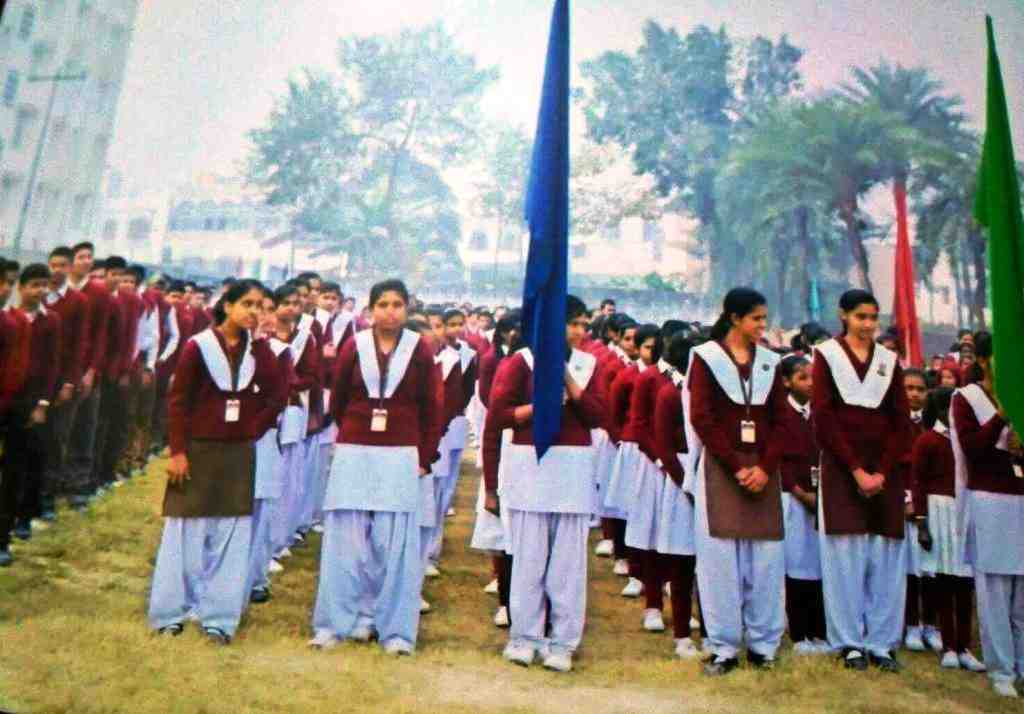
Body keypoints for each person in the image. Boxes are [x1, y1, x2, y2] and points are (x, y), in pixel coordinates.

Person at [147, 279, 285, 644]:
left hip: (238, 451)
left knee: (232, 531)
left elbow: (276, 395)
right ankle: (171, 612)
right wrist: (177, 451)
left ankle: (219, 616)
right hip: (198, 448)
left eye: (260, 305)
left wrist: (251, 428)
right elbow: (179, 400)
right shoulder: (199, 346)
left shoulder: (261, 351)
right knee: (186, 531)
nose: (254, 312)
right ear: (227, 306)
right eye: (247, 304)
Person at [310, 279, 442, 655]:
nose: (390, 311)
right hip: (355, 448)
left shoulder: (419, 350)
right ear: (371, 309)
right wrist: (351, 431)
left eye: (397, 304)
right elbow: (337, 399)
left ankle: (396, 631)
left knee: (394, 543)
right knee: (345, 540)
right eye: (382, 304)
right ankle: (336, 623)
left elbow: (432, 408)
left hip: (401, 452)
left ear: (407, 308)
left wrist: (424, 456)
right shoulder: (356, 344)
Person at [489, 294, 605, 672]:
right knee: (529, 559)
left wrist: (568, 380)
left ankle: (563, 641)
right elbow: (500, 414)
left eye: (583, 325)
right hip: (530, 469)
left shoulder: (589, 364)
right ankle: (524, 636)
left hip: (572, 470)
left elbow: (596, 415)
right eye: (572, 323)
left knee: (568, 564)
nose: (578, 331)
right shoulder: (520, 362)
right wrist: (538, 407)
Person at [688, 288, 786, 675]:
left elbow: (781, 421)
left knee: (764, 560)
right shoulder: (706, 358)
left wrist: (764, 466)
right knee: (720, 561)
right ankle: (724, 645)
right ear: (734, 318)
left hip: (763, 468)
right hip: (722, 468)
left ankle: (763, 643)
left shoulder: (770, 363)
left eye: (765, 319)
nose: (763, 326)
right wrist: (735, 465)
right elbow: (702, 417)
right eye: (756, 319)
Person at [813, 289, 910, 673]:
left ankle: (882, 642)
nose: (868, 325)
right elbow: (823, 416)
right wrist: (855, 469)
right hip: (842, 467)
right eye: (860, 317)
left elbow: (900, 420)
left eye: (873, 317)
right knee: (845, 555)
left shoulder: (889, 360)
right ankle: (850, 641)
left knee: (885, 555)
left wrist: (882, 471)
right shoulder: (827, 355)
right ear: (844, 316)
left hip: (884, 471)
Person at [950, 331, 1024, 697]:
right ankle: (1001, 670)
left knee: (1022, 594)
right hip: (989, 500)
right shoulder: (966, 398)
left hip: (1021, 498)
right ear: (982, 360)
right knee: (995, 591)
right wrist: (1000, 418)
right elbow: (972, 449)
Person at [912, 387, 985, 673]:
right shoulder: (928, 440)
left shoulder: (965, 442)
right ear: (943, 411)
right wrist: (922, 523)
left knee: (965, 582)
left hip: (964, 508)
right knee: (944, 580)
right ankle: (949, 645)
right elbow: (917, 481)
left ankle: (965, 646)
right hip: (938, 509)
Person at [0, 265, 61, 554]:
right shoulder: (10, 319)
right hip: (7, 399)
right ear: (20, 288)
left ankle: (9, 530)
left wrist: (42, 402)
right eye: (34, 285)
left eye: (44, 285)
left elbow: (49, 366)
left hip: (24, 402)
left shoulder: (47, 322)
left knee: (19, 466)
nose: (40, 291)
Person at [471, 310, 523, 629]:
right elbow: (492, 404)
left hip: (521, 441)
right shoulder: (496, 361)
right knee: (500, 527)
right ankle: (504, 594)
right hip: (505, 437)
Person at [651, 331, 701, 659]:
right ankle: (682, 632)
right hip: (683, 479)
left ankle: (712, 628)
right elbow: (664, 447)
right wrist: (688, 483)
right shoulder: (671, 395)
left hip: (708, 476)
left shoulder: (704, 394)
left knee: (711, 561)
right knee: (682, 560)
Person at [776, 355, 828, 655]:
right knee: (795, 562)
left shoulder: (818, 414)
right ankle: (798, 632)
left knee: (817, 563)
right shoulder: (781, 413)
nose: (810, 384)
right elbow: (779, 459)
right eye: (802, 378)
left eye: (812, 378)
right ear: (786, 381)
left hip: (818, 496)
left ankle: (818, 630)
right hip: (791, 497)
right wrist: (798, 491)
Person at [604, 322, 655, 598]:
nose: (651, 351)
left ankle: (658, 575)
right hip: (633, 448)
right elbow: (613, 413)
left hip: (658, 453)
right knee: (631, 510)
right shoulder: (627, 376)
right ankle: (633, 568)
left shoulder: (667, 378)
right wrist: (622, 441)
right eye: (646, 346)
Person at [42, 247, 89, 518]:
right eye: (53, 264)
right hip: (37, 380)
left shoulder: (78, 301)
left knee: (56, 438)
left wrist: (71, 381)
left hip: (62, 380)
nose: (57, 270)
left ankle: (47, 498)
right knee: (32, 439)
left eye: (63, 265)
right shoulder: (38, 297)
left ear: (70, 268)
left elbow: (80, 343)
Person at [901, 368, 940, 653]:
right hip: (904, 504)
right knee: (911, 569)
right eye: (908, 388)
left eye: (920, 389)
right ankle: (912, 624)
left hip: (932, 504)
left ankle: (932, 625)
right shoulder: (893, 424)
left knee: (932, 569)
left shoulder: (934, 427)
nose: (914, 394)